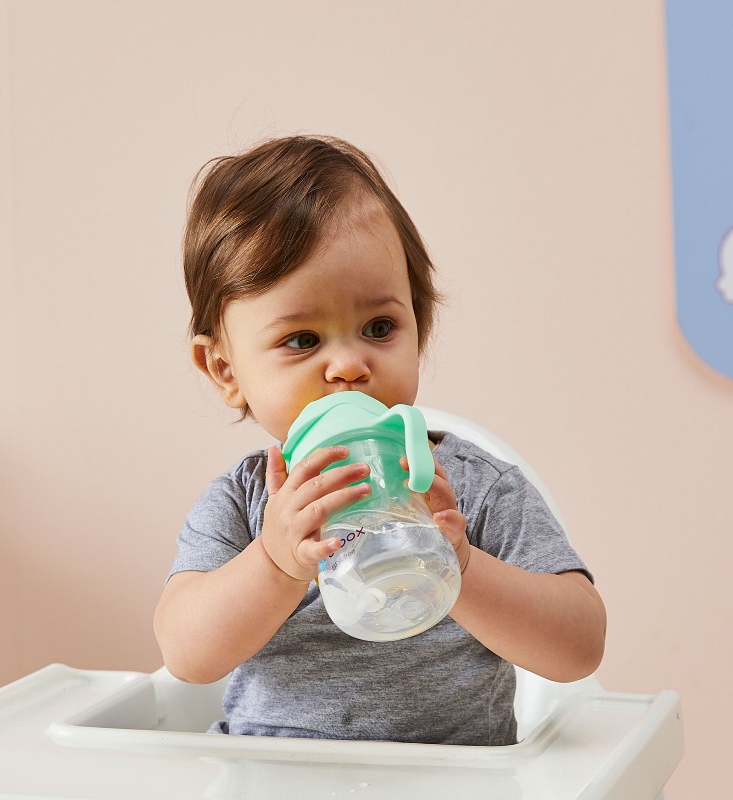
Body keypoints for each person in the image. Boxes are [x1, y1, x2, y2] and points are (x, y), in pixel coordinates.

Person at [154, 135, 606, 745]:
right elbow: (186, 654)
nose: (348, 365)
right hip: (276, 782)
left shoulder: (476, 490)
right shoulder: (245, 504)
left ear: (420, 328)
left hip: (454, 787)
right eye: (303, 339)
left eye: (378, 327)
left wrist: (462, 567)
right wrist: (274, 564)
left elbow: (579, 646)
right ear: (227, 371)